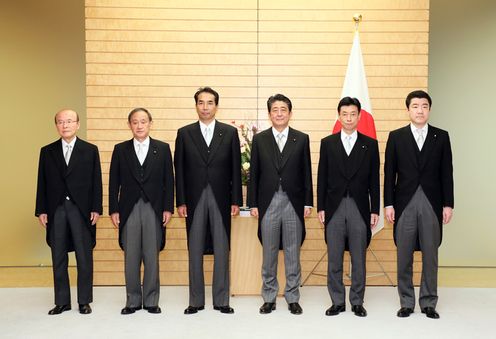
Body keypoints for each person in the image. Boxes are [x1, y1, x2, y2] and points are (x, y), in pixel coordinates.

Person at [384, 90, 454, 319]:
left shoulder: (441, 137)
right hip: (404, 202)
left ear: (429, 110)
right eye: (415, 106)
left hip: (432, 202)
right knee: (403, 254)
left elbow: (447, 173)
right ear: (408, 110)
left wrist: (448, 204)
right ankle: (406, 302)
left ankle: (428, 302)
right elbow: (389, 174)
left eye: (424, 106)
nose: (420, 110)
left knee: (430, 255)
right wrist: (388, 204)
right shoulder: (396, 137)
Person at [174, 87, 242, 314]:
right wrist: (181, 201)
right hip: (193, 199)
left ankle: (222, 300)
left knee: (222, 248)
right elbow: (179, 170)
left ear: (216, 106)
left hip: (221, 198)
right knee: (194, 248)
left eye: (210, 103)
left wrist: (236, 200)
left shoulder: (229, 132)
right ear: (196, 106)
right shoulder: (184, 133)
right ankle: (196, 301)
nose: (205, 107)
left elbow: (235, 169)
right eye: (201, 103)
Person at [249, 94, 313, 315]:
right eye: (275, 110)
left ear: (290, 113)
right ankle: (269, 297)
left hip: (293, 202)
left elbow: (306, 173)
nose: (279, 113)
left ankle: (293, 297)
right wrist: (253, 203)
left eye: (283, 109)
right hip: (268, 203)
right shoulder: (260, 139)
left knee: (293, 252)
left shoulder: (301, 138)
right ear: (269, 114)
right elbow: (254, 173)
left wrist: (308, 202)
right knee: (269, 253)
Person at [317, 97, 380, 317]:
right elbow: (322, 178)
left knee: (358, 258)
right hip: (334, 207)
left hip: (359, 207)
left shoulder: (370, 144)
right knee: (334, 257)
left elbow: (374, 180)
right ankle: (337, 301)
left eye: (353, 114)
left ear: (359, 116)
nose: (349, 118)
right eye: (345, 114)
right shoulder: (327, 143)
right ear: (339, 116)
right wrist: (321, 207)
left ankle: (356, 301)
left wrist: (375, 210)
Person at [35, 109, 102, 315]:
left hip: (81, 210)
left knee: (84, 257)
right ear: (56, 125)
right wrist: (41, 210)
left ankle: (84, 301)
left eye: (69, 121)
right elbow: (42, 183)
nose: (65, 125)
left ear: (78, 124)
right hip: (56, 210)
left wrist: (96, 208)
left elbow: (96, 182)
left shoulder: (90, 150)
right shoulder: (47, 151)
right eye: (61, 122)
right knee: (59, 257)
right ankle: (62, 301)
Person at [109, 108, 174, 315]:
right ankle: (133, 301)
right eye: (135, 122)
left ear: (150, 123)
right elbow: (113, 183)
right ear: (129, 125)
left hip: (153, 208)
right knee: (131, 256)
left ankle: (152, 300)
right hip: (128, 209)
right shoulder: (120, 149)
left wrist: (167, 208)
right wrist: (113, 209)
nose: (139, 126)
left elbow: (168, 182)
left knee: (152, 255)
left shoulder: (162, 149)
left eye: (143, 122)